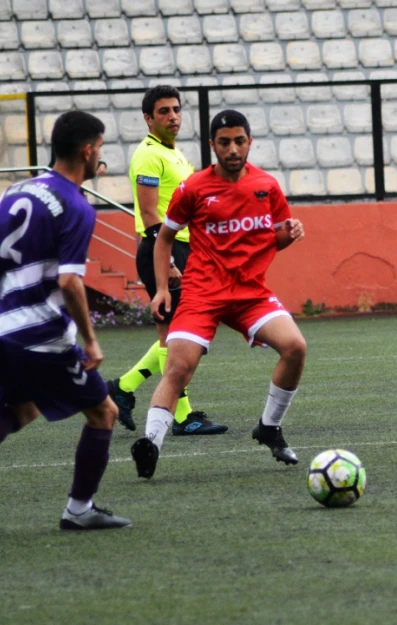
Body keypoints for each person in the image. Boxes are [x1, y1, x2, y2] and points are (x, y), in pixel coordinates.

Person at [0, 111, 131, 530]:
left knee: (20, 409)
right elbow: (70, 282)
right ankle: (79, 509)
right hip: (41, 335)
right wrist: (90, 340)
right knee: (104, 412)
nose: (99, 156)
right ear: (87, 151)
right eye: (100, 148)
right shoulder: (77, 207)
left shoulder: (21, 188)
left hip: (2, 331)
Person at [130, 110, 307, 479]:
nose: (232, 149)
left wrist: (288, 237)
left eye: (239, 140)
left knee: (296, 347)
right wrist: (162, 288)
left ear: (249, 142)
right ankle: (150, 445)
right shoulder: (193, 188)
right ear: (212, 146)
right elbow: (163, 237)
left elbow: (273, 237)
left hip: (250, 293)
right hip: (202, 292)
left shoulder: (267, 187)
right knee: (178, 367)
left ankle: (269, 427)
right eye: (224, 142)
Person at [107, 85, 227, 436]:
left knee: (183, 333)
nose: (173, 116)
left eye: (176, 109)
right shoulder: (147, 155)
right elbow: (148, 213)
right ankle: (182, 415)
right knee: (175, 337)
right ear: (148, 118)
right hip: (162, 249)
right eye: (163, 111)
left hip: (185, 249)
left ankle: (124, 387)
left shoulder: (175, 154)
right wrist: (169, 263)